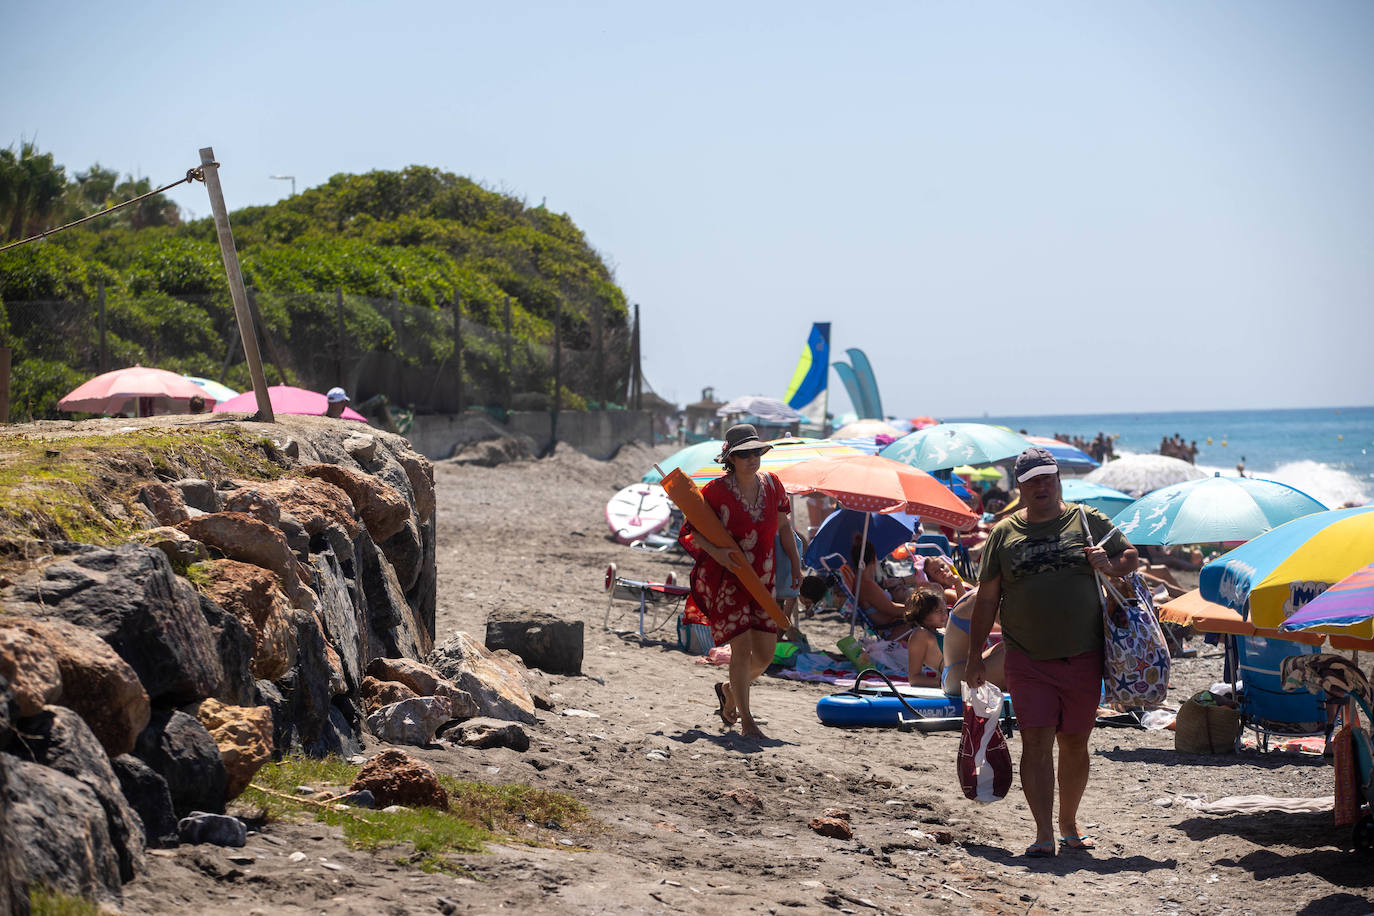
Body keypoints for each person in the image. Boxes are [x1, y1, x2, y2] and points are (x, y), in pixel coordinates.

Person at [964, 446, 1136, 859]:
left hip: (1083, 653)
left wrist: (1109, 565)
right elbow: (987, 600)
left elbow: (1129, 556)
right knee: (1036, 741)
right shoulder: (1004, 534)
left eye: (1048, 478)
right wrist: (974, 655)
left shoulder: (1086, 520)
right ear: (1020, 486)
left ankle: (1069, 825)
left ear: (1058, 479)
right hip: (1026, 656)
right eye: (1032, 480)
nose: (1041, 486)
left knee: (1075, 741)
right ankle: (1043, 833)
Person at [678, 424, 801, 739]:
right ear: (730, 458)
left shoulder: (773, 485)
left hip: (765, 580)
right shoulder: (715, 492)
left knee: (765, 656)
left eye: (755, 451)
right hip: (729, 580)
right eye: (743, 453)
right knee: (742, 649)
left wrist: (796, 562)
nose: (751, 458)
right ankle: (747, 721)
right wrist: (717, 552)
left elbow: (785, 527)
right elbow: (692, 531)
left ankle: (729, 692)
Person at [940, 586, 1007, 696]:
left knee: (1008, 646)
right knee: (1021, 650)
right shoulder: (981, 599)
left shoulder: (980, 593)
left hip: (955, 674)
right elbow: (1018, 631)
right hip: (960, 678)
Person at [903, 585, 948, 688]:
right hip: (959, 677)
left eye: (945, 611)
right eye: (939, 611)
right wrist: (943, 683)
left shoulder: (941, 631)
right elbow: (914, 678)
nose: (945, 615)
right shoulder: (921, 635)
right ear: (925, 613)